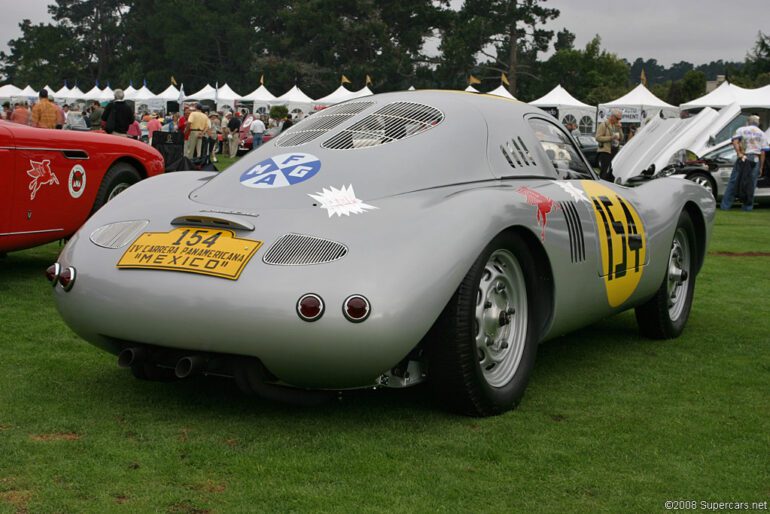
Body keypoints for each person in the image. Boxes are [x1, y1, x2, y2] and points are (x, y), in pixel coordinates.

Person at [720, 115, 768, 212]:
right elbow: (763, 152)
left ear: (748, 122)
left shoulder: (741, 130)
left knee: (734, 181)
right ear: (758, 124)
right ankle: (747, 207)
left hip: (744, 157)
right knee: (751, 184)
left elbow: (735, 142)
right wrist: (761, 167)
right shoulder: (762, 134)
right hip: (755, 158)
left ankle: (726, 206)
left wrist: (739, 153)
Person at [595, 108, 624, 181]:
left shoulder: (616, 125)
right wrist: (611, 137)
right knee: (604, 172)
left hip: (614, 150)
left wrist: (620, 129)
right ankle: (601, 185)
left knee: (612, 172)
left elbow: (622, 138)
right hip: (605, 151)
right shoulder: (604, 124)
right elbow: (598, 138)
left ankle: (610, 186)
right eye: (617, 118)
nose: (618, 120)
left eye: (620, 119)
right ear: (612, 116)